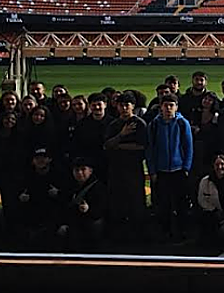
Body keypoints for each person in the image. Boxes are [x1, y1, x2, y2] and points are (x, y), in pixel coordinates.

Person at [146, 95, 194, 242]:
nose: (168, 108)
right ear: (161, 107)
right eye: (165, 105)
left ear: (176, 107)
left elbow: (188, 146)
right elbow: (150, 150)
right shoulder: (154, 125)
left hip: (178, 170)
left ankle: (181, 232)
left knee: (181, 204)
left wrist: (186, 167)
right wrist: (152, 170)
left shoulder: (182, 123)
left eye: (171, 105)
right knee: (163, 205)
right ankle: (165, 232)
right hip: (161, 171)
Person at [104, 93, 148, 241]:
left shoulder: (139, 124)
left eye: (127, 105)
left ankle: (139, 235)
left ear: (133, 106)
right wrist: (121, 135)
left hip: (134, 169)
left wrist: (118, 146)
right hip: (116, 169)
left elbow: (142, 147)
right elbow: (107, 146)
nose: (123, 108)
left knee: (136, 202)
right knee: (117, 202)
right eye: (121, 105)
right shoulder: (113, 125)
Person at [59, 158, 106, 251]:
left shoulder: (99, 188)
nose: (80, 173)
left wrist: (88, 210)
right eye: (77, 170)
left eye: (83, 169)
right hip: (72, 224)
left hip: (89, 226)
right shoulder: (69, 186)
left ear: (90, 171)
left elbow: (103, 210)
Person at [196, 154, 224, 247]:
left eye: (222, 164)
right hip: (213, 212)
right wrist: (214, 210)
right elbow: (202, 199)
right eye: (217, 165)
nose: (220, 167)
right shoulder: (205, 181)